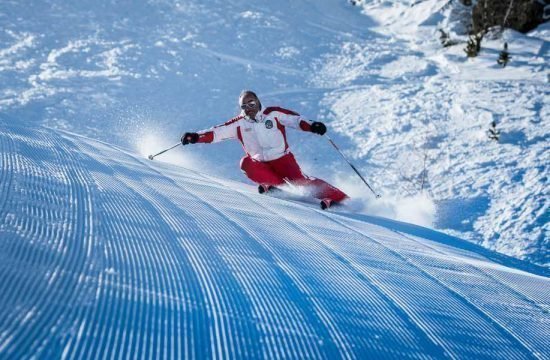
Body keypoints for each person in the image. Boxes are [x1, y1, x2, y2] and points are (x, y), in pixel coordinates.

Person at [181, 90, 348, 208]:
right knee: (246, 163)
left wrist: (312, 126)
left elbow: (295, 120)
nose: (249, 107)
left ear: (258, 102)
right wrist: (196, 137)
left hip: (283, 159)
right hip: (261, 164)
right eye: (244, 106)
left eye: (251, 102)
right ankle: (279, 188)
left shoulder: (272, 113)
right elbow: (215, 133)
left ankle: (340, 199)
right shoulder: (238, 123)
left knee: (301, 182)